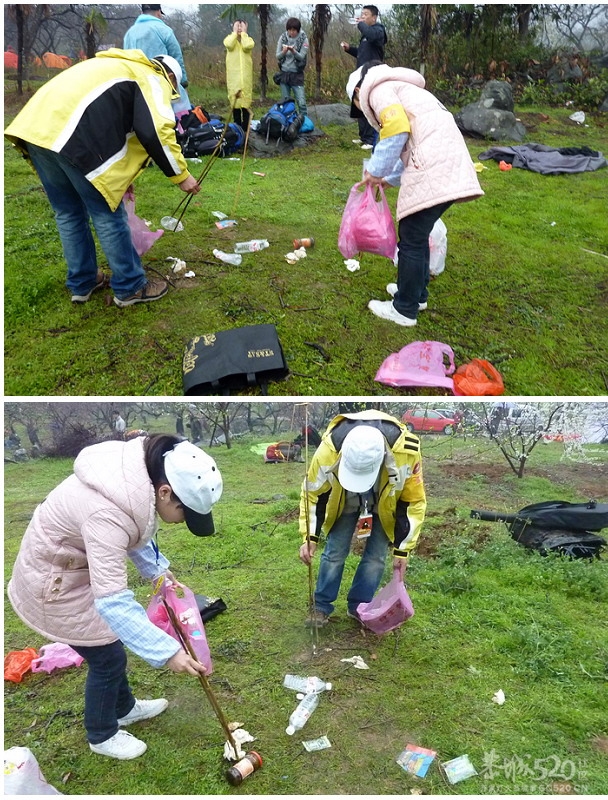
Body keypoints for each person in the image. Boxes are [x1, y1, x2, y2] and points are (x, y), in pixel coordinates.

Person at [7, 435, 223, 760]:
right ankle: (101, 733)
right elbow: (113, 602)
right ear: (165, 492)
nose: (181, 522)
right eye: (185, 514)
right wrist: (170, 653)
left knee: (109, 648)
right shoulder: (108, 513)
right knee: (107, 659)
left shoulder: (136, 481)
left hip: (73, 570)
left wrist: (158, 572)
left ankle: (124, 707)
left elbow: (138, 530)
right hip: (53, 582)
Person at [4, 49, 200, 308]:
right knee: (108, 213)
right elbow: (154, 131)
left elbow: (117, 123)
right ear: (172, 79)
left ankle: (83, 281)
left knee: (68, 213)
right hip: (73, 138)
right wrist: (182, 176)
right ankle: (130, 286)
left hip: (36, 131)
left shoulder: (116, 65)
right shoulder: (152, 77)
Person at [346, 61, 484, 327]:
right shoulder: (403, 88)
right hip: (447, 160)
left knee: (410, 236)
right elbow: (411, 140)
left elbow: (396, 129)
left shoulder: (378, 90)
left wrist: (375, 170)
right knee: (417, 234)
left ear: (357, 94)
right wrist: (389, 178)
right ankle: (417, 295)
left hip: (433, 164)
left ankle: (404, 309)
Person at [298, 409, 426, 627]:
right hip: (344, 499)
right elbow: (313, 494)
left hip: (385, 502)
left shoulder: (407, 452)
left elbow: (412, 502)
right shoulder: (328, 450)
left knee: (376, 557)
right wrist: (309, 536)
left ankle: (360, 606)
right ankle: (321, 606)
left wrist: (402, 550)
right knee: (334, 551)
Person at [124, 4, 191, 116]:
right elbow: (176, 58)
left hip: (138, 87)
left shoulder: (129, 34)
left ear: (142, 13)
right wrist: (183, 83)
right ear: (159, 12)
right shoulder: (163, 30)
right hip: (162, 84)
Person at [340, 5, 387, 149]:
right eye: (362, 14)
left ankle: (370, 140)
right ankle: (363, 137)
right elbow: (361, 53)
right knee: (359, 102)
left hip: (372, 72)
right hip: (361, 72)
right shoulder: (365, 36)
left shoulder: (379, 30)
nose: (363, 16)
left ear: (374, 17)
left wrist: (360, 24)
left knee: (368, 103)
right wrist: (349, 49)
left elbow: (372, 37)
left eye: (366, 14)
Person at [223, 19, 255, 132]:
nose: (240, 28)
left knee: (245, 105)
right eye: (237, 26)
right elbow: (229, 44)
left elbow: (247, 46)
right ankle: (237, 130)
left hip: (245, 79)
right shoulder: (229, 40)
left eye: (242, 26)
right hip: (234, 79)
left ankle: (246, 130)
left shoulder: (248, 40)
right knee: (235, 105)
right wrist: (235, 33)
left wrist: (244, 34)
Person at [276, 17, 309, 118]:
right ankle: (287, 122)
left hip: (297, 74)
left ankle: (303, 121)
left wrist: (294, 51)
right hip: (284, 73)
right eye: (289, 30)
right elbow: (278, 56)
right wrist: (284, 51)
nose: (291, 32)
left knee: (301, 102)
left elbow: (301, 56)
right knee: (286, 102)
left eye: (294, 30)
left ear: (298, 30)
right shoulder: (283, 37)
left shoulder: (304, 39)